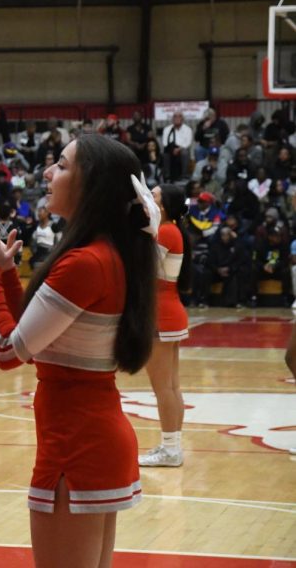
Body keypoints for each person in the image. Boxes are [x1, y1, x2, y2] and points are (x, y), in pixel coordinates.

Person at [0, 135, 158, 568]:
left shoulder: (86, 262)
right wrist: (4, 273)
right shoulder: (105, 253)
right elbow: (40, 338)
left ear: (91, 185)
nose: (48, 173)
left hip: (76, 446)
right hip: (92, 437)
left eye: (63, 165)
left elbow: (7, 351)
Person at [139, 184, 192, 468]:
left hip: (162, 315)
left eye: (154, 195)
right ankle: (172, 446)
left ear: (163, 205)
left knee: (164, 388)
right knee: (170, 386)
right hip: (168, 311)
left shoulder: (167, 232)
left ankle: (171, 450)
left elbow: (143, 268)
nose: (149, 198)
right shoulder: (169, 230)